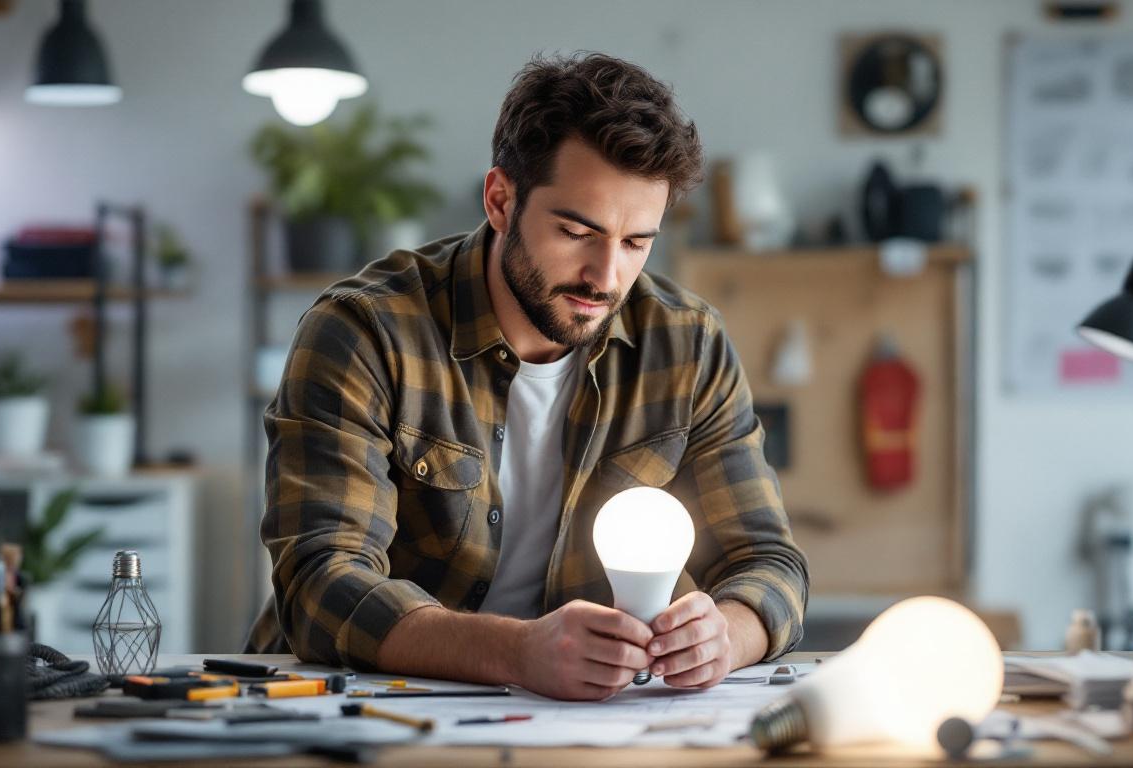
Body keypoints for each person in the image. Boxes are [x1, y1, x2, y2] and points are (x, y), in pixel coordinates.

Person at [247, 52, 808, 701]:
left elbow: (770, 564)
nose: (606, 277)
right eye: (577, 231)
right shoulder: (365, 332)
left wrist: (726, 636)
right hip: (359, 707)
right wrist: (517, 652)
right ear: (501, 201)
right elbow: (320, 581)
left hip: (592, 719)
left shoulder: (688, 346)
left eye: (635, 243)